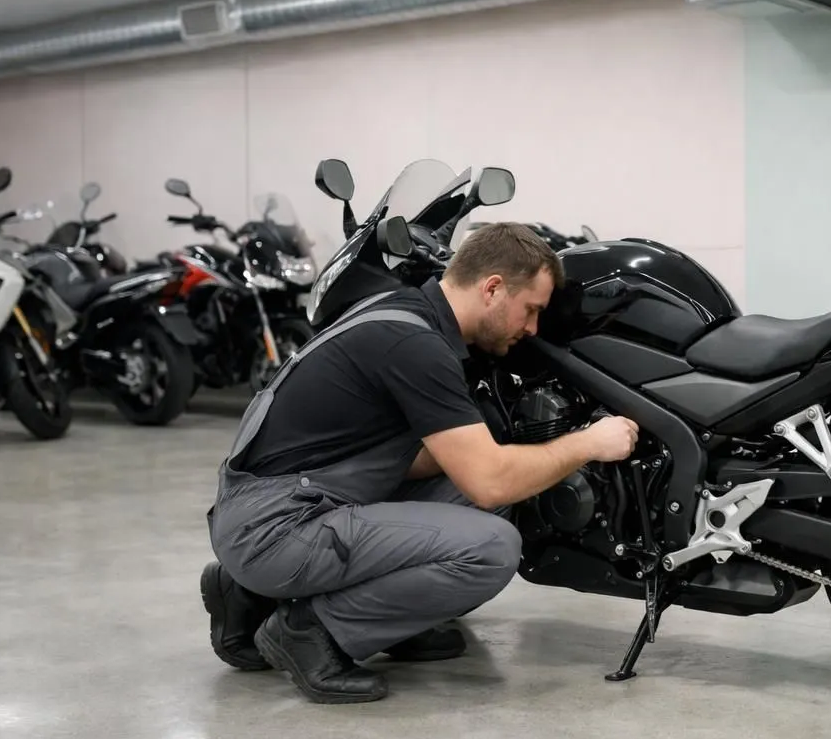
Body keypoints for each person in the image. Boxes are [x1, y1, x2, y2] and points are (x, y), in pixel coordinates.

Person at [200, 221, 640, 704]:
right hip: (274, 525)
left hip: (286, 502)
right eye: (530, 310)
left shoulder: (407, 313)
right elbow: (490, 481)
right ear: (492, 288)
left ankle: (255, 598)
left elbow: (414, 461)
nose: (532, 328)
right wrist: (587, 442)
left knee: (485, 503)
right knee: (492, 547)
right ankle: (309, 630)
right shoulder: (414, 345)